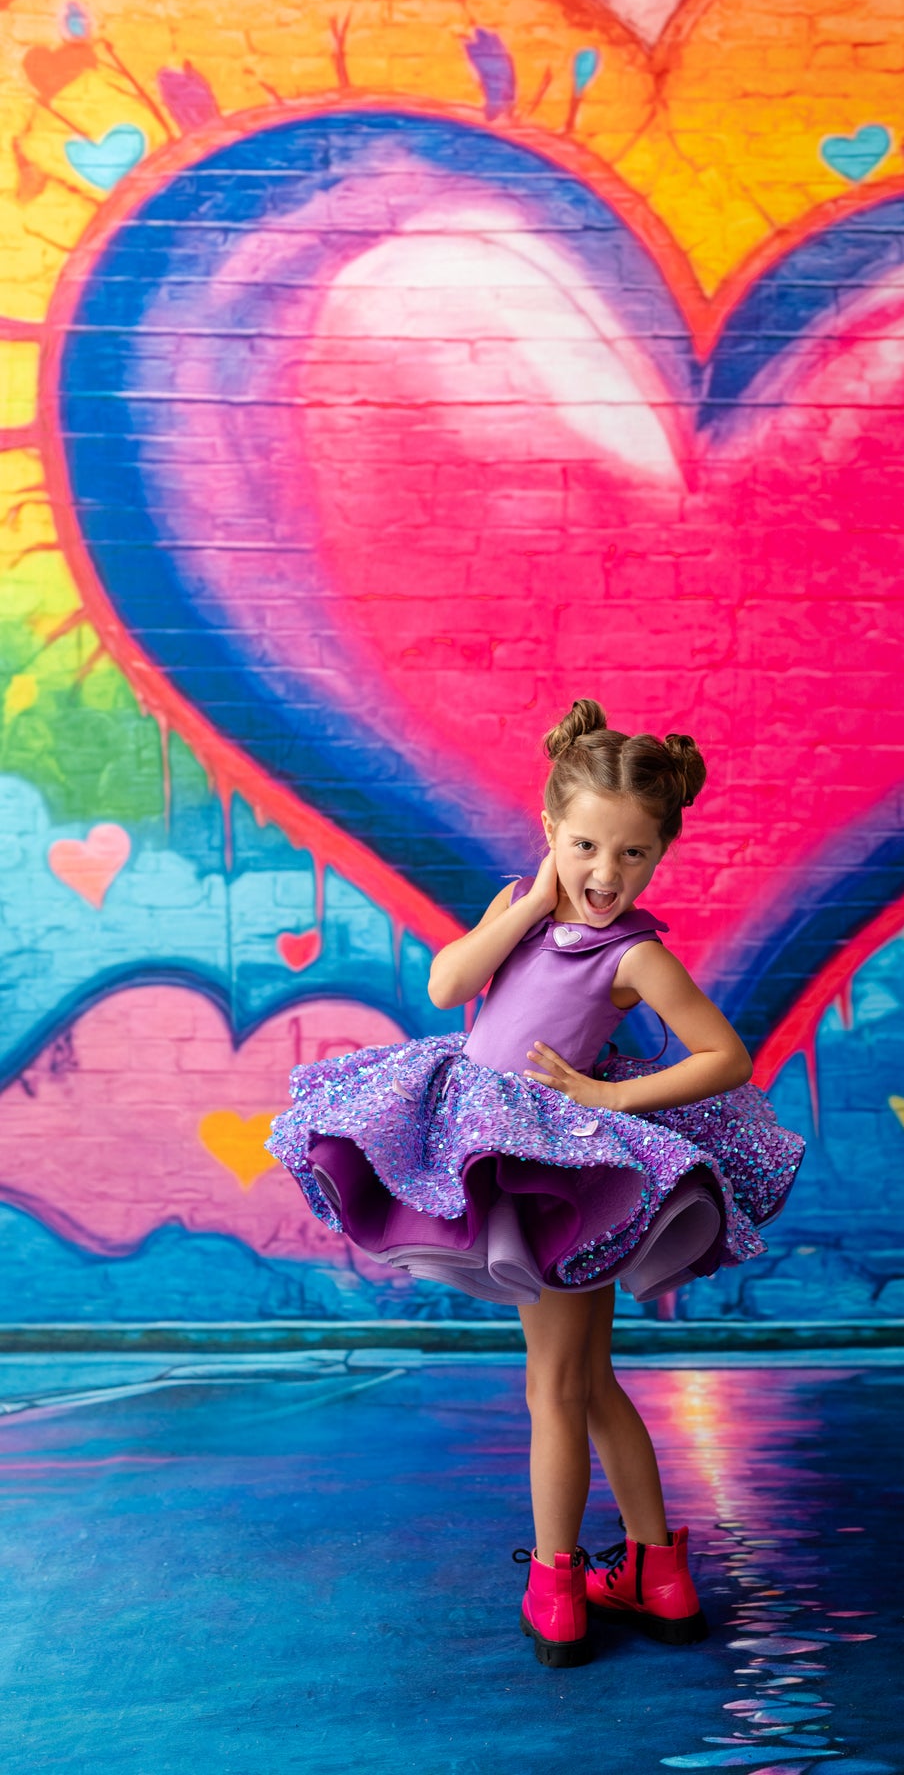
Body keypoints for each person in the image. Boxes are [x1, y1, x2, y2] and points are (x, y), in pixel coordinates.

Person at [269, 698, 805, 1667]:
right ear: (553, 829)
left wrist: (612, 1092)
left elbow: (726, 1054)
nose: (606, 875)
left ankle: (557, 1585)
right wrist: (525, 904)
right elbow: (445, 986)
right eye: (589, 845)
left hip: (555, 1177)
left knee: (554, 1386)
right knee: (590, 1380)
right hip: (502, 1155)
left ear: (657, 856)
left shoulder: (633, 953)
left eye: (634, 855)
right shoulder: (524, 910)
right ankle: (659, 1572)